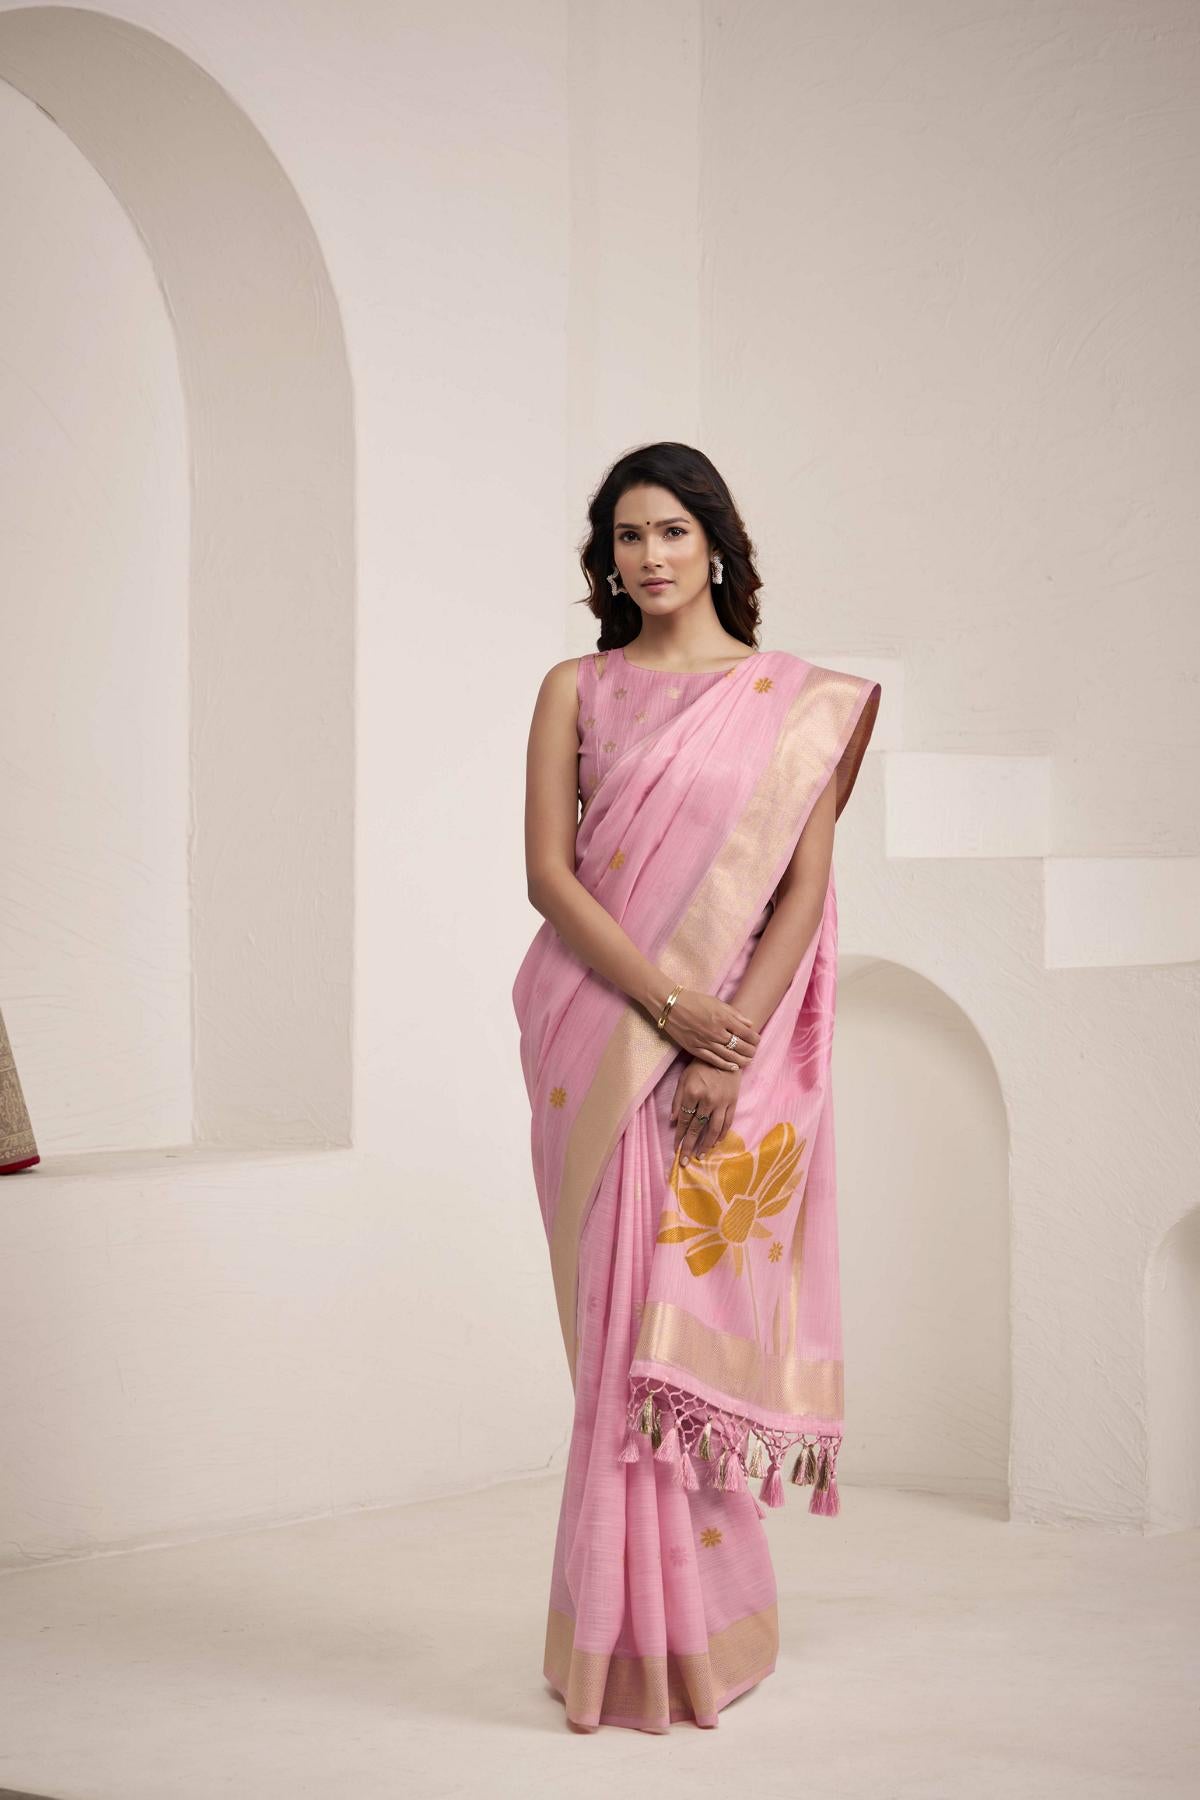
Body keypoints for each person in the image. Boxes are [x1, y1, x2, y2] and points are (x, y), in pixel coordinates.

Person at [512, 441, 881, 1734]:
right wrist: (667, 1010)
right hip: (599, 1031)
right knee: (617, 1344)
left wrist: (728, 1049)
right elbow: (551, 876)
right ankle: (617, 1640)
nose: (651, 555)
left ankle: (703, 1629)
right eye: (629, 536)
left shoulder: (793, 703)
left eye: (672, 530)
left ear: (716, 543)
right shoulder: (579, 687)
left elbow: (802, 891)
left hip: (728, 1050)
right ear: (607, 559)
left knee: (672, 1336)